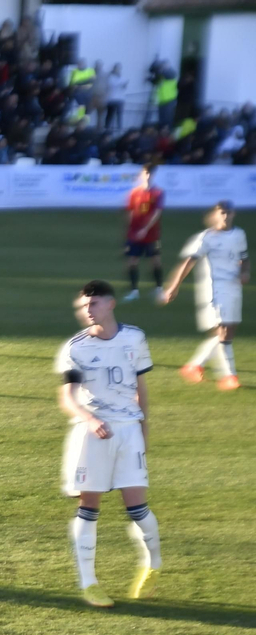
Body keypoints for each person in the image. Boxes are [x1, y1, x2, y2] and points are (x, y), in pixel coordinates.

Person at [55, 280, 160, 606]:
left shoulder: (135, 338)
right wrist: (89, 419)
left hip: (128, 430)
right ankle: (89, 583)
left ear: (111, 304)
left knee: (137, 508)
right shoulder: (75, 348)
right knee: (88, 507)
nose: (88, 310)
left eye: (94, 304)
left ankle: (153, 563)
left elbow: (142, 390)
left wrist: (144, 432)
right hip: (93, 433)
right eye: (84, 306)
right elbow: (68, 398)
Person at [164, 201, 248, 391]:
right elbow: (188, 262)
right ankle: (229, 376)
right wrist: (174, 286)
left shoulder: (239, 234)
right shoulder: (206, 238)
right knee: (224, 332)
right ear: (217, 215)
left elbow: (244, 257)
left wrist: (245, 272)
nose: (225, 216)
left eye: (228, 213)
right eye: (222, 213)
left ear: (233, 214)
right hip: (214, 289)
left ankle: (194, 365)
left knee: (228, 332)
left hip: (233, 288)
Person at [122, 164, 164, 303]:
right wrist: (131, 230)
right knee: (132, 262)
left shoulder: (157, 193)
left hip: (151, 234)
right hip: (134, 234)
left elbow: (156, 213)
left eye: (149, 174)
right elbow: (130, 211)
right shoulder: (134, 193)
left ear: (152, 175)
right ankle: (134, 291)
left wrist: (145, 229)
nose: (146, 176)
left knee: (155, 261)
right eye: (145, 173)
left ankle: (159, 288)